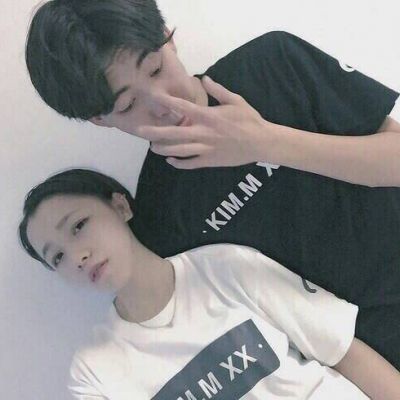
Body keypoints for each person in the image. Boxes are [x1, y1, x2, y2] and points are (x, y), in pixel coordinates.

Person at [25, 0, 400, 367]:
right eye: (127, 106)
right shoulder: (159, 216)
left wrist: (266, 143)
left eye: (155, 69)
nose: (163, 103)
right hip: (371, 356)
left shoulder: (270, 63)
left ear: (167, 37)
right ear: (101, 120)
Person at [18, 168, 400, 399]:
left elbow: (344, 352)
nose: (77, 255)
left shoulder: (225, 267)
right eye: (57, 257)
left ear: (120, 206)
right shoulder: (94, 372)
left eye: (79, 226)